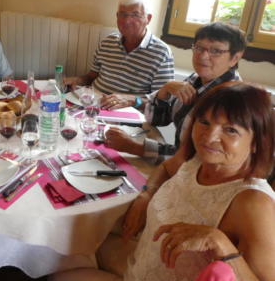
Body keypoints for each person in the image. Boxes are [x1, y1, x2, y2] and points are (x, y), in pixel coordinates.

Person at [51, 82, 275, 281]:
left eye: (230, 130)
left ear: (257, 142)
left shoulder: (253, 203)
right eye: (204, 122)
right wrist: (147, 194)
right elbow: (167, 167)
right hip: (138, 260)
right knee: (64, 246)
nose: (209, 137)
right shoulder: (197, 159)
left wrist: (222, 245)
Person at [105, 22, 246, 162]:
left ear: (235, 58)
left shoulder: (230, 100)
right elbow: (160, 119)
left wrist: (134, 147)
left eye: (215, 51)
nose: (203, 56)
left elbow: (194, 160)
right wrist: (165, 90)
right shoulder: (196, 79)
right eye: (199, 48)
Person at [64, 0, 174, 110]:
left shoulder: (161, 53)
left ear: (148, 18)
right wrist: (78, 80)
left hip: (127, 115)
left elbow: (162, 104)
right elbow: (91, 77)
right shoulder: (108, 42)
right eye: (123, 14)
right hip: (93, 106)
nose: (127, 21)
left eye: (135, 15)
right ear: (117, 16)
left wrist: (132, 100)